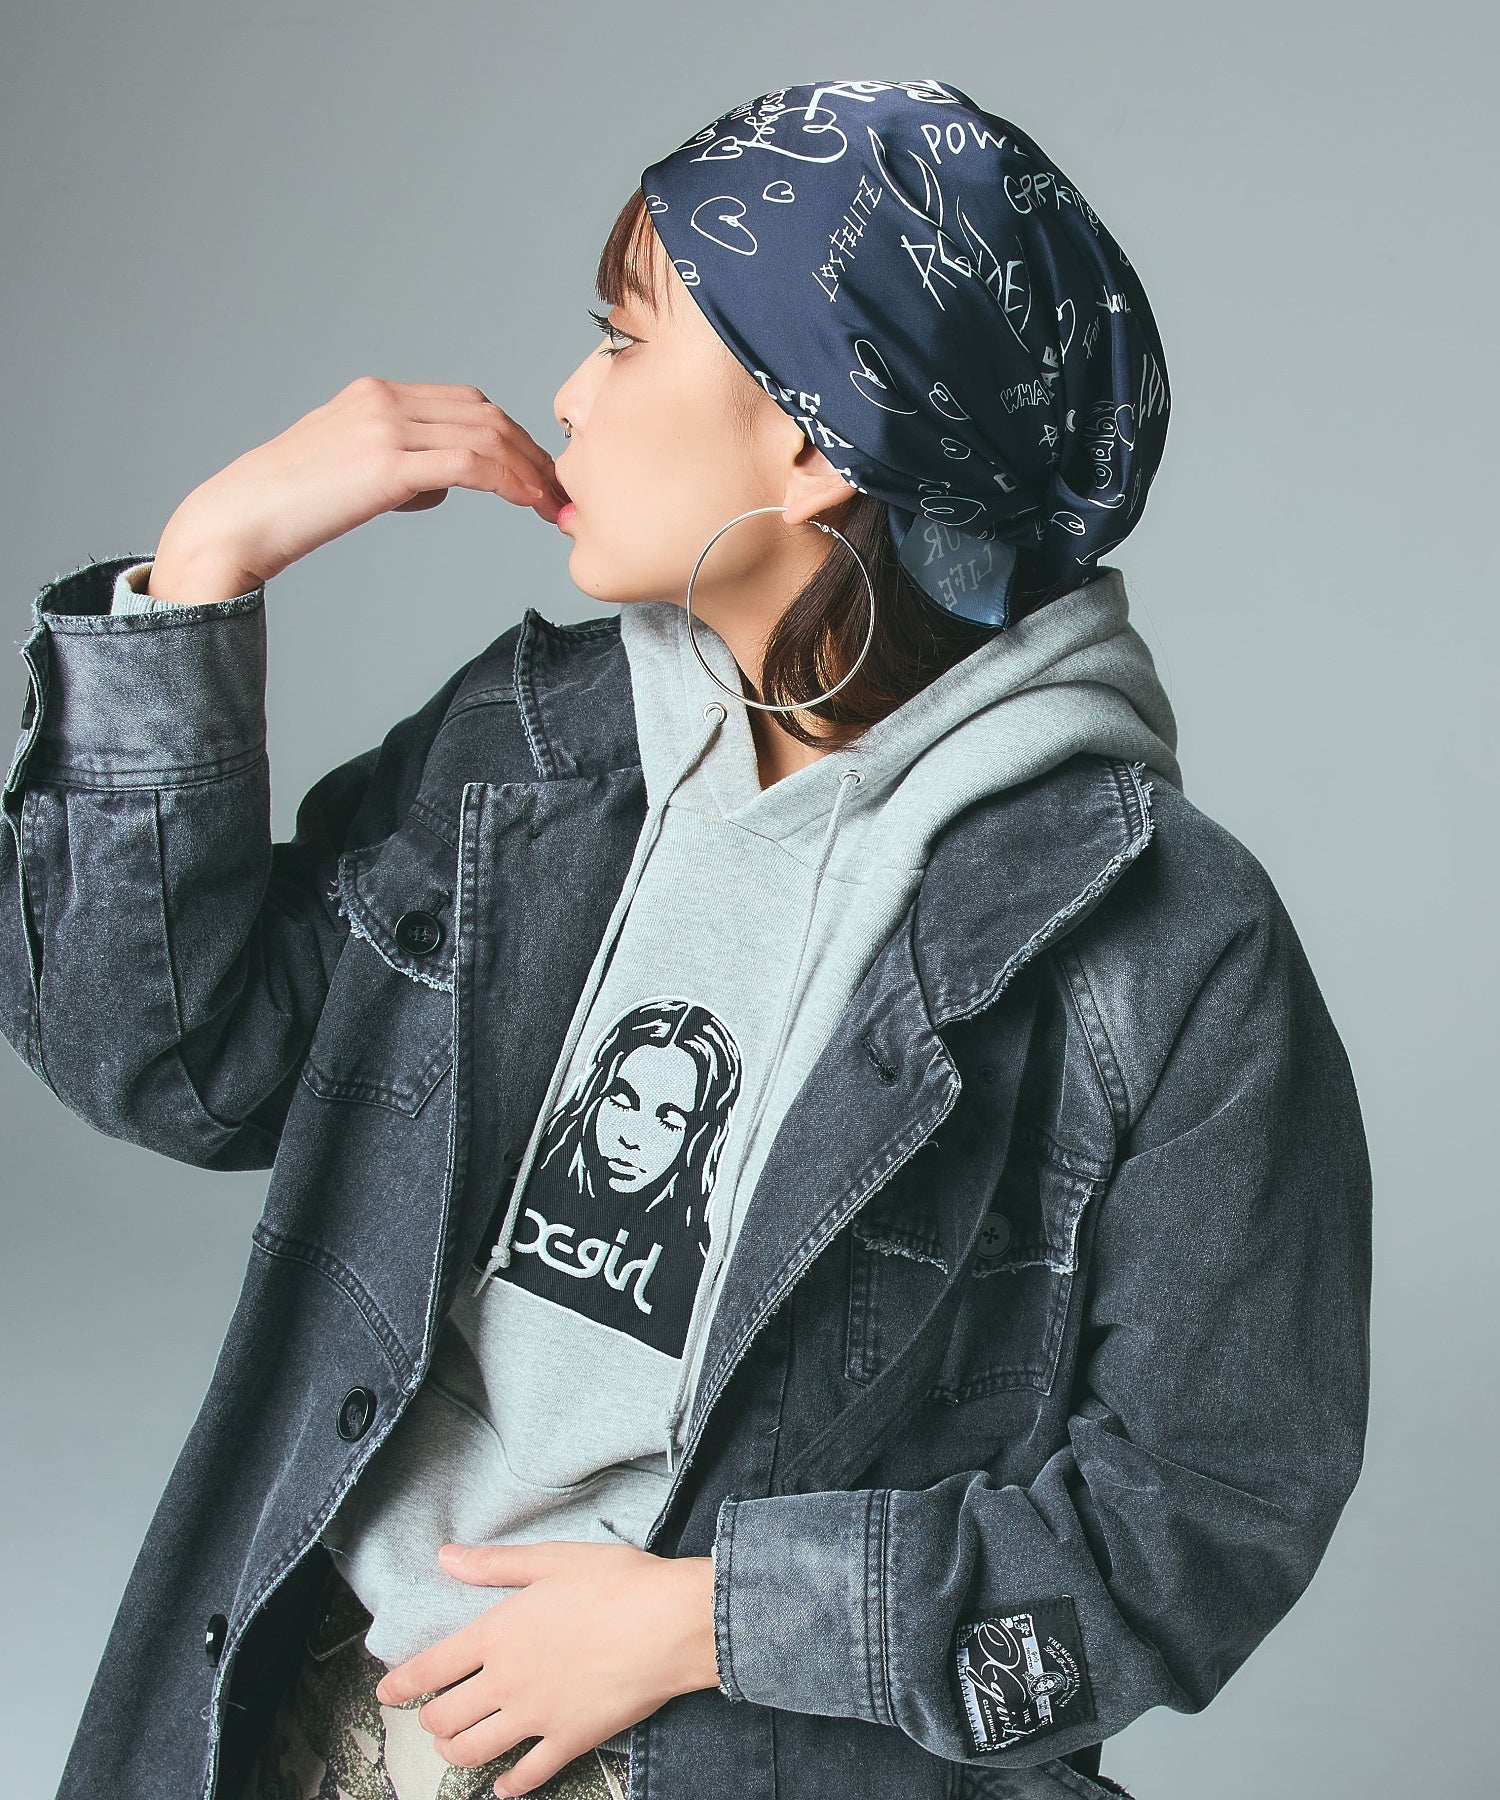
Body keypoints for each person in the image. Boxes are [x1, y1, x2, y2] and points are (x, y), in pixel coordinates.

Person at [0, 78, 1371, 1800]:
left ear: (814, 436)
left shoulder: (1163, 947)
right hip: (305, 1716)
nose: (571, 393)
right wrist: (195, 582)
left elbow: (1207, 1516)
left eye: (624, 337)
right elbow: (172, 1063)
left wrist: (715, 1624)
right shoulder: (527, 748)